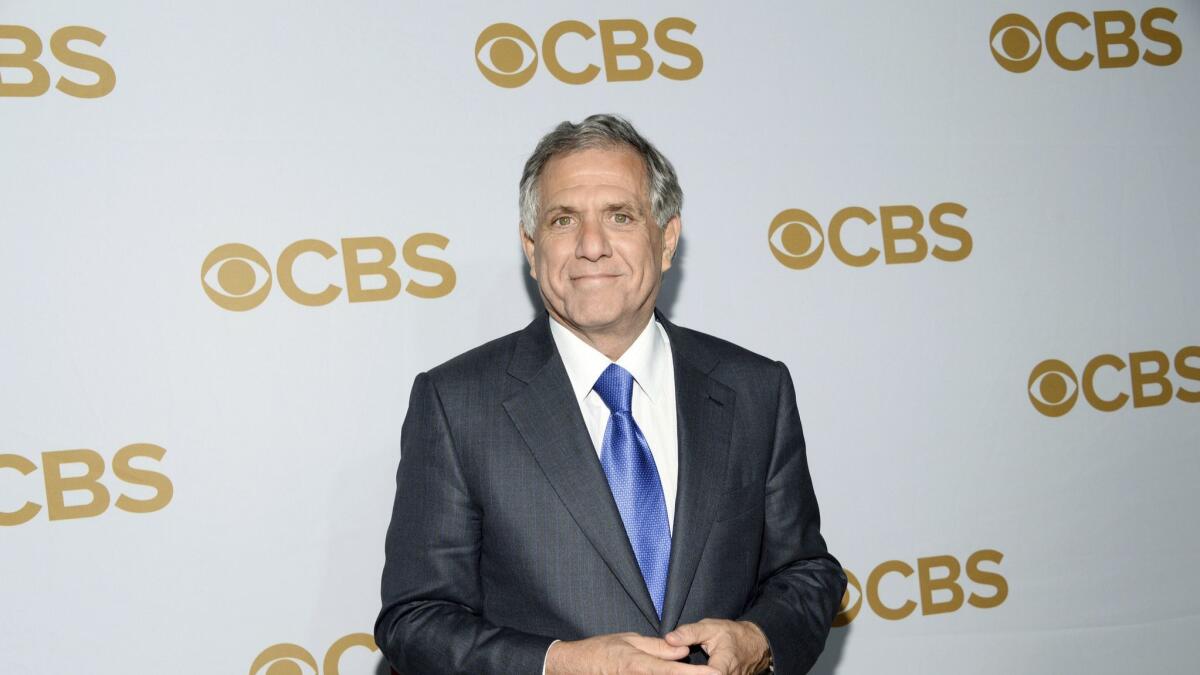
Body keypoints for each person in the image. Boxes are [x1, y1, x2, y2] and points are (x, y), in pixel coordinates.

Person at [375, 114, 845, 674]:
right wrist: (562, 665)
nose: (591, 246)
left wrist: (759, 639)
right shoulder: (455, 405)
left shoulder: (755, 388)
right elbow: (415, 620)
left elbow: (807, 572)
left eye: (620, 216)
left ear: (666, 239)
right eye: (563, 220)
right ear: (531, 247)